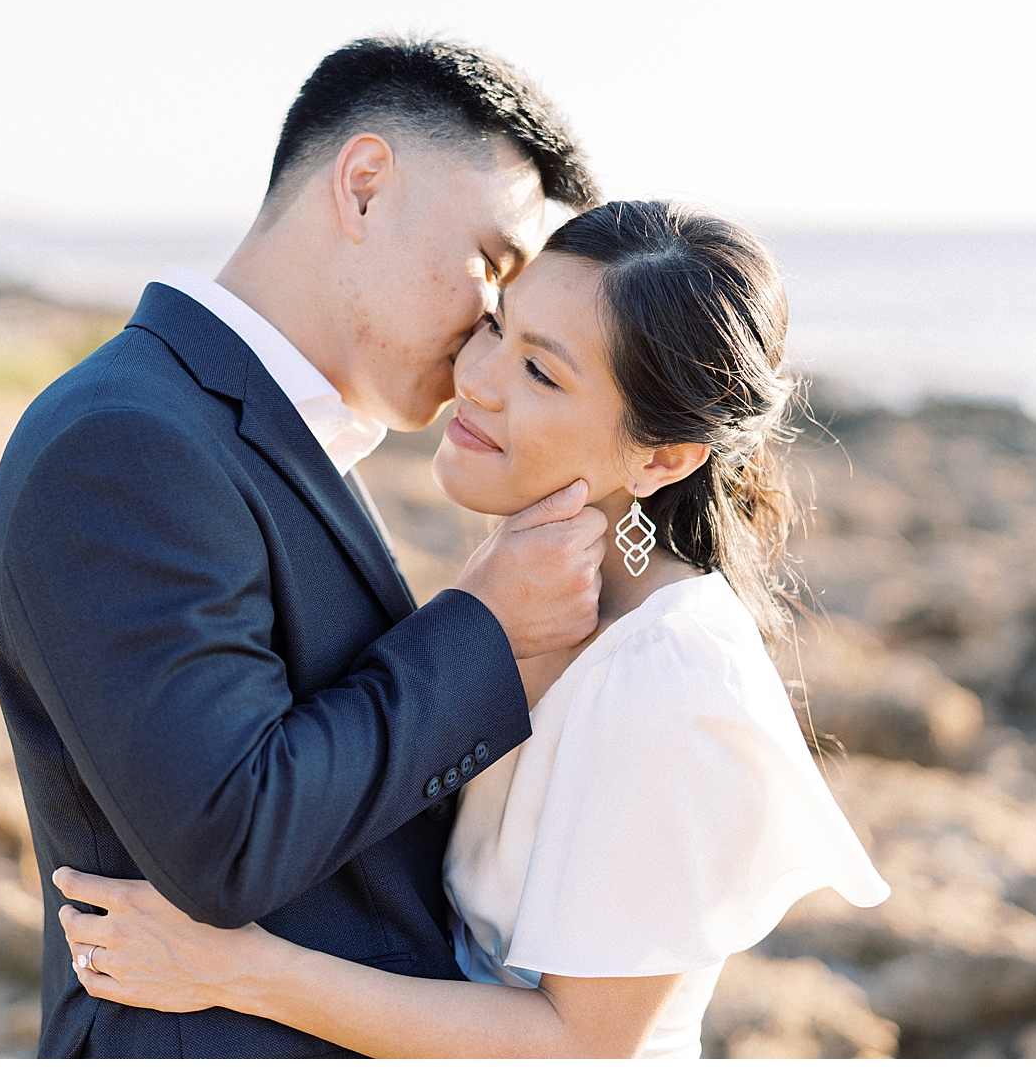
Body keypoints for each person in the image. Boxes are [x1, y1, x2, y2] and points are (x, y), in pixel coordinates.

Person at [51, 199, 893, 1059]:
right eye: (497, 325)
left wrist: (237, 970)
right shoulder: (542, 591)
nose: (479, 376)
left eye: (542, 373)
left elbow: (579, 1047)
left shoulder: (667, 670)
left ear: (662, 457)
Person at [0, 37, 607, 1058]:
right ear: (363, 187)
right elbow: (227, 834)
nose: (490, 328)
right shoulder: (127, 441)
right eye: (490, 266)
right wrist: (484, 627)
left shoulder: (248, 431)